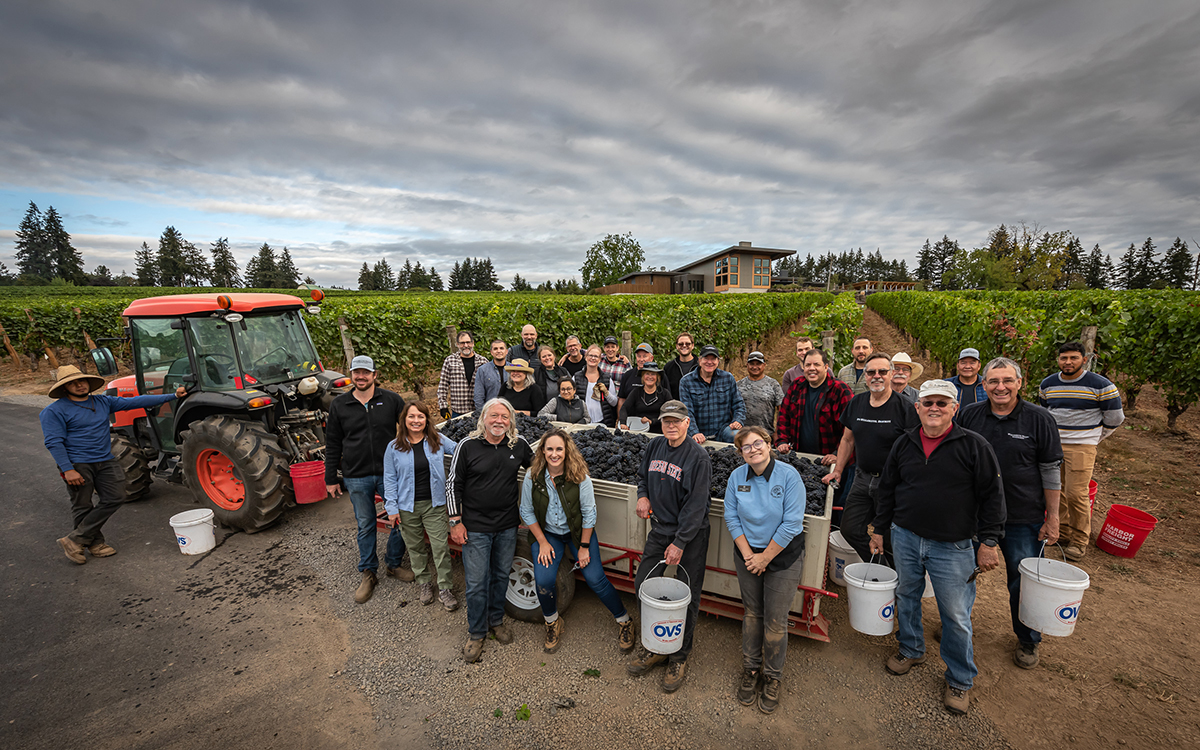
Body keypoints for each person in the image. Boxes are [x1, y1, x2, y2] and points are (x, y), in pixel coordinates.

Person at [871, 379, 1006, 717]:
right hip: (905, 536)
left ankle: (960, 678)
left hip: (953, 546)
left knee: (956, 615)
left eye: (942, 404)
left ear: (954, 409)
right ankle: (911, 648)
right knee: (906, 596)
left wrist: (989, 542)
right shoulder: (905, 443)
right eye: (928, 402)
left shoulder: (973, 446)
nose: (934, 408)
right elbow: (887, 488)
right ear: (917, 407)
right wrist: (878, 528)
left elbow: (993, 496)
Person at [959, 357, 1062, 669]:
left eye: (1006, 381)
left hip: (1022, 516)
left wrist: (1053, 517)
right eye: (993, 381)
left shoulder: (1039, 419)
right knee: (961, 575)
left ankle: (1028, 638)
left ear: (1020, 383)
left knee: (1022, 580)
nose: (1000, 387)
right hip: (973, 515)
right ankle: (957, 624)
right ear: (983, 385)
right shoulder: (970, 415)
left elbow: (1051, 471)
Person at [40, 366, 188, 564]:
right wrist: (68, 469)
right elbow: (53, 442)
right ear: (64, 388)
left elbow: (136, 401)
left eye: (81, 380)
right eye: (72, 383)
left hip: (105, 459)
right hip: (78, 463)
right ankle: (95, 544)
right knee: (82, 504)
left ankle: (75, 539)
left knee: (116, 496)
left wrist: (172, 396)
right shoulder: (54, 411)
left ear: (88, 382)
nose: (79, 385)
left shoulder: (101, 401)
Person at [519, 428, 636, 654]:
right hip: (548, 534)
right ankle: (552, 622)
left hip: (576, 533)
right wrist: (542, 542)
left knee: (595, 578)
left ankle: (625, 621)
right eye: (550, 449)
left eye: (559, 449)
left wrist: (583, 547)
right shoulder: (532, 476)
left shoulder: (580, 476)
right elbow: (526, 511)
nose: (554, 454)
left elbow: (589, 514)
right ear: (542, 451)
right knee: (543, 581)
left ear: (567, 451)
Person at [627, 401, 712, 693]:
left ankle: (678, 655)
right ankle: (655, 647)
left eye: (677, 421)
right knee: (644, 585)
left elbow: (697, 507)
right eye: (666, 421)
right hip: (660, 528)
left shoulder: (698, 458)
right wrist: (642, 496)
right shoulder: (655, 447)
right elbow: (642, 477)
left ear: (687, 423)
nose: (671, 426)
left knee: (687, 595)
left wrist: (680, 542)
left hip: (690, 534)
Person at [724, 426, 807, 714]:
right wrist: (750, 556)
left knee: (775, 620)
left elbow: (792, 523)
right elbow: (731, 517)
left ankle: (772, 676)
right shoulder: (737, 477)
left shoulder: (789, 477)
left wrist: (765, 558)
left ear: (769, 444)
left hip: (783, 557)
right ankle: (750, 670)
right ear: (740, 452)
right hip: (748, 555)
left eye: (758, 443)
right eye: (746, 447)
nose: (753, 449)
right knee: (752, 613)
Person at [446, 398, 534, 663]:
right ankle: (476, 632)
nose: (499, 421)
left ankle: (496, 621)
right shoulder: (468, 446)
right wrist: (455, 521)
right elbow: (453, 485)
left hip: (507, 526)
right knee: (475, 583)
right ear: (483, 418)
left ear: (511, 422)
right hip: (475, 528)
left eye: (505, 417)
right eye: (494, 416)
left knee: (499, 577)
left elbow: (538, 469)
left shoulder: (518, 445)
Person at [324, 355, 411, 605]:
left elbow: (410, 429)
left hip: (389, 473)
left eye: (366, 372)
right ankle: (368, 572)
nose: (361, 377)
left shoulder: (391, 400)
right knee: (366, 524)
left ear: (375, 375)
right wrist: (331, 478)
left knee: (402, 517)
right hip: (356, 475)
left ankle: (393, 564)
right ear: (351, 374)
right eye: (356, 372)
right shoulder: (339, 405)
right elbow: (332, 443)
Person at [824, 353, 919, 565]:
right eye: (871, 372)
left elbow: (913, 450)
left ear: (892, 374)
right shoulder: (857, 403)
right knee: (850, 529)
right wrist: (838, 470)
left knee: (890, 537)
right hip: (862, 478)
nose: (877, 376)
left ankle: (898, 581)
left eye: (882, 372)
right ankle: (882, 569)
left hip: (893, 483)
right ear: (865, 376)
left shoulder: (904, 408)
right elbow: (847, 440)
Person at [1038, 342, 1124, 561]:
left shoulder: (1100, 385)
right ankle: (1063, 533)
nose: (1068, 362)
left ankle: (1079, 540)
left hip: (1081, 447)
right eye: (1064, 358)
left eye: (1073, 358)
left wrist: (1094, 437)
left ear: (1085, 359)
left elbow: (1115, 417)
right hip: (1052, 445)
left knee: (1077, 493)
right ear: (1058, 360)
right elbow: (1045, 412)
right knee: (1058, 490)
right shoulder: (1048, 384)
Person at [384, 401, 459, 611]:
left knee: (440, 547)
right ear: (404, 420)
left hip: (434, 504)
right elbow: (389, 479)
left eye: (420, 417)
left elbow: (460, 451)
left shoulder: (437, 439)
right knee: (415, 548)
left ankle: (445, 587)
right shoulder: (393, 447)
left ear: (426, 419)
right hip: (407, 507)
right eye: (411, 417)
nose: (416, 421)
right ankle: (424, 583)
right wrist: (391, 508)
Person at [775, 348, 851, 463]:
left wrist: (838, 454)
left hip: (829, 460)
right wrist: (782, 441)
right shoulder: (796, 386)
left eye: (816, 364)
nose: (812, 368)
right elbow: (783, 415)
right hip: (800, 457)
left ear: (826, 367)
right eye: (808, 365)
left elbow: (850, 426)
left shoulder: (840, 390)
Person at [678, 345, 746, 444]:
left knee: (737, 436)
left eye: (713, 359)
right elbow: (687, 411)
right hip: (699, 431)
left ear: (718, 361)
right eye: (706, 358)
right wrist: (694, 432)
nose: (709, 362)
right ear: (699, 360)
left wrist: (738, 421)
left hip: (723, 430)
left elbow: (738, 404)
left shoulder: (728, 378)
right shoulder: (686, 381)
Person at [437, 330, 486, 419]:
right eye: (462, 343)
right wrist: (443, 407)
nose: (466, 345)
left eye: (468, 342)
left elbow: (489, 386)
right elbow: (443, 386)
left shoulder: (483, 361)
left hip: (479, 411)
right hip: (458, 412)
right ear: (457, 344)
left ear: (473, 343)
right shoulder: (450, 361)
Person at [737, 351, 784, 436]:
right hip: (742, 434)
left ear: (764, 365)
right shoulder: (738, 385)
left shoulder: (773, 384)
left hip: (765, 434)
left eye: (758, 364)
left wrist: (777, 433)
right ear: (747, 365)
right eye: (752, 364)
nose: (755, 367)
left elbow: (781, 409)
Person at [573, 344, 618, 427]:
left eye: (596, 356)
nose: (593, 358)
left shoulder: (606, 379)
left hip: (602, 422)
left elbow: (614, 403)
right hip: (582, 422)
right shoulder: (576, 377)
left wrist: (606, 393)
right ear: (585, 357)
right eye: (590, 355)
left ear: (600, 359)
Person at [618, 343, 667, 415]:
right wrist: (620, 419)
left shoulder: (660, 376)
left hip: (655, 421)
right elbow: (622, 399)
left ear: (651, 358)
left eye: (644, 356)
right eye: (639, 356)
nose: (641, 359)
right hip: (631, 421)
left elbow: (667, 401)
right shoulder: (628, 375)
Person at [618, 362, 668, 433]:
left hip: (658, 431)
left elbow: (669, 412)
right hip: (639, 431)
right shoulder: (636, 392)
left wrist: (652, 421)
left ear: (657, 377)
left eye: (653, 374)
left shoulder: (664, 393)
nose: (650, 377)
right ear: (643, 376)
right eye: (647, 374)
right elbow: (624, 408)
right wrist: (623, 423)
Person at [473, 339, 509, 414]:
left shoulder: (513, 369)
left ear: (506, 351)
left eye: (501, 348)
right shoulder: (482, 370)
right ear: (491, 352)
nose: (499, 351)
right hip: (490, 412)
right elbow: (478, 396)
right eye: (495, 349)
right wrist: (482, 414)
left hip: (509, 412)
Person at [664, 332, 698, 398]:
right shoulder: (668, 367)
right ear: (677, 346)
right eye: (681, 344)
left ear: (693, 345)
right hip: (675, 407)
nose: (684, 346)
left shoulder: (700, 366)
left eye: (687, 343)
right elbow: (666, 390)